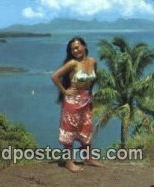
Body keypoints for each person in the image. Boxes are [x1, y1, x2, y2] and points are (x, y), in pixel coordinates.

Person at [51, 36, 103, 172]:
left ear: (84, 46)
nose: (75, 50)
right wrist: (65, 91)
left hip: (86, 100)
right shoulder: (72, 64)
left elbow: (93, 79)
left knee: (86, 129)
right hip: (72, 102)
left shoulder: (92, 61)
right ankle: (69, 162)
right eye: (73, 49)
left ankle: (88, 158)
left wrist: (90, 93)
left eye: (78, 47)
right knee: (69, 130)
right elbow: (55, 76)